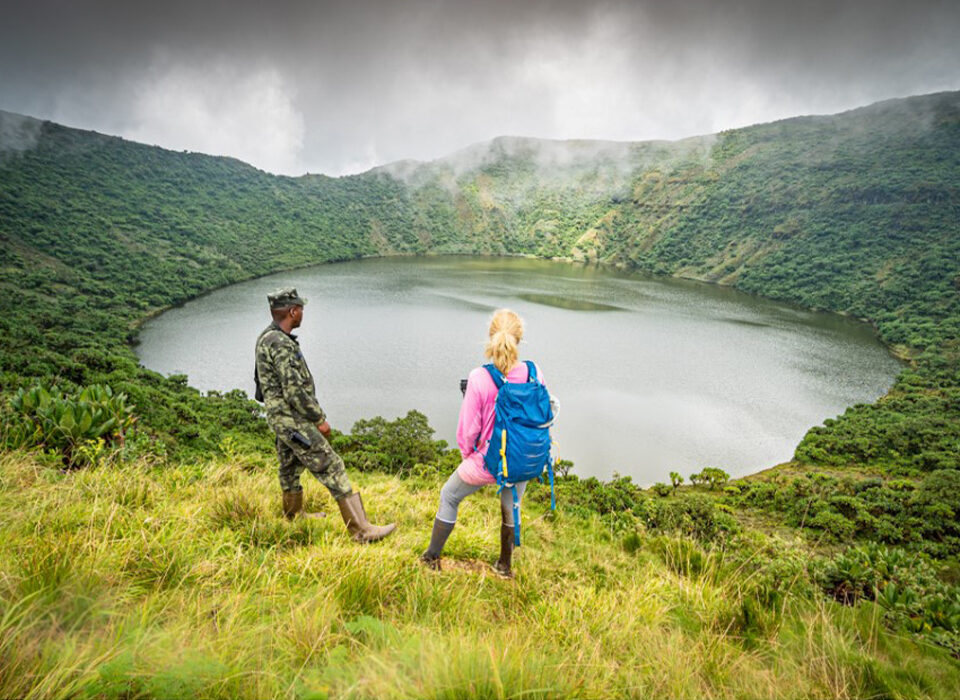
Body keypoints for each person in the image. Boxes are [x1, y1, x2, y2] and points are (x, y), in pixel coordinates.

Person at [254, 287, 396, 543]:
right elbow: (294, 391)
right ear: (292, 311)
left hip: (280, 420)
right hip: (293, 420)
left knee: (289, 466)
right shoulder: (280, 343)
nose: (303, 314)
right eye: (301, 309)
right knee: (331, 465)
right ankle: (361, 530)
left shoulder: (267, 337)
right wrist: (318, 419)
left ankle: (293, 516)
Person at [420, 308, 548, 578]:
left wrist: (468, 456)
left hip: (486, 460)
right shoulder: (534, 372)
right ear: (519, 338)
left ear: (491, 336)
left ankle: (431, 557)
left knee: (449, 496)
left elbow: (468, 430)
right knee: (511, 507)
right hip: (521, 458)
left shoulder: (479, 377)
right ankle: (504, 566)